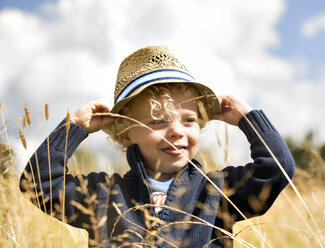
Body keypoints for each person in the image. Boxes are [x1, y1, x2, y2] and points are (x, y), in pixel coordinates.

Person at [20, 45, 295, 247]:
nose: (176, 131)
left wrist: (249, 119)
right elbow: (38, 184)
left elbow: (277, 170)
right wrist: (73, 129)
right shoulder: (103, 195)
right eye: (159, 121)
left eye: (189, 120)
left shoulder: (216, 191)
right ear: (125, 135)